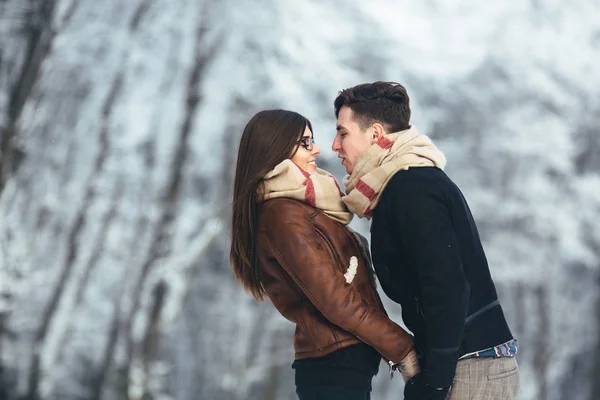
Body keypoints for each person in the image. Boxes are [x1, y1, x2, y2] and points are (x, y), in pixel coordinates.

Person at [331, 82, 520, 400]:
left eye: (343, 132)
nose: (335, 145)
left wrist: (434, 382)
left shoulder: (411, 187)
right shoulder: (407, 183)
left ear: (376, 134)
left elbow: (446, 285)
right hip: (466, 365)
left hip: (470, 370)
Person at [230, 109, 419, 400]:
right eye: (305, 143)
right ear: (276, 148)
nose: (317, 149)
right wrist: (403, 348)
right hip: (334, 367)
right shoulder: (283, 215)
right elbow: (334, 299)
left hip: (339, 363)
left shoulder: (297, 209)